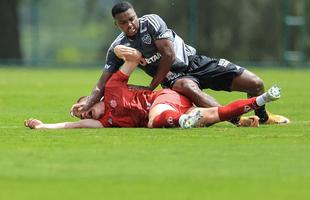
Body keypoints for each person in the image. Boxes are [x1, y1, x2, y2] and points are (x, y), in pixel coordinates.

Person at [70, 1, 289, 125]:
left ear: (136, 15)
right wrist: (87, 104)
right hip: (172, 77)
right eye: (124, 22)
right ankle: (235, 119)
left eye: (132, 18)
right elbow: (102, 84)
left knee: (255, 84)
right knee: (186, 86)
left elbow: (169, 56)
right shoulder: (117, 47)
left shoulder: (152, 22)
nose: (130, 24)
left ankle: (264, 116)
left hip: (195, 62)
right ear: (117, 24)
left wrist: (151, 87)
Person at [25, 46, 282, 129]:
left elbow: (134, 59)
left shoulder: (113, 86)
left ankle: (184, 120)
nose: (84, 114)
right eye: (83, 113)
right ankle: (257, 103)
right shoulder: (105, 121)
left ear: (93, 99)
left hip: (164, 98)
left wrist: (117, 49)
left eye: (84, 107)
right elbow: (74, 126)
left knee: (155, 120)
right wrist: (44, 126)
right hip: (172, 107)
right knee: (209, 116)